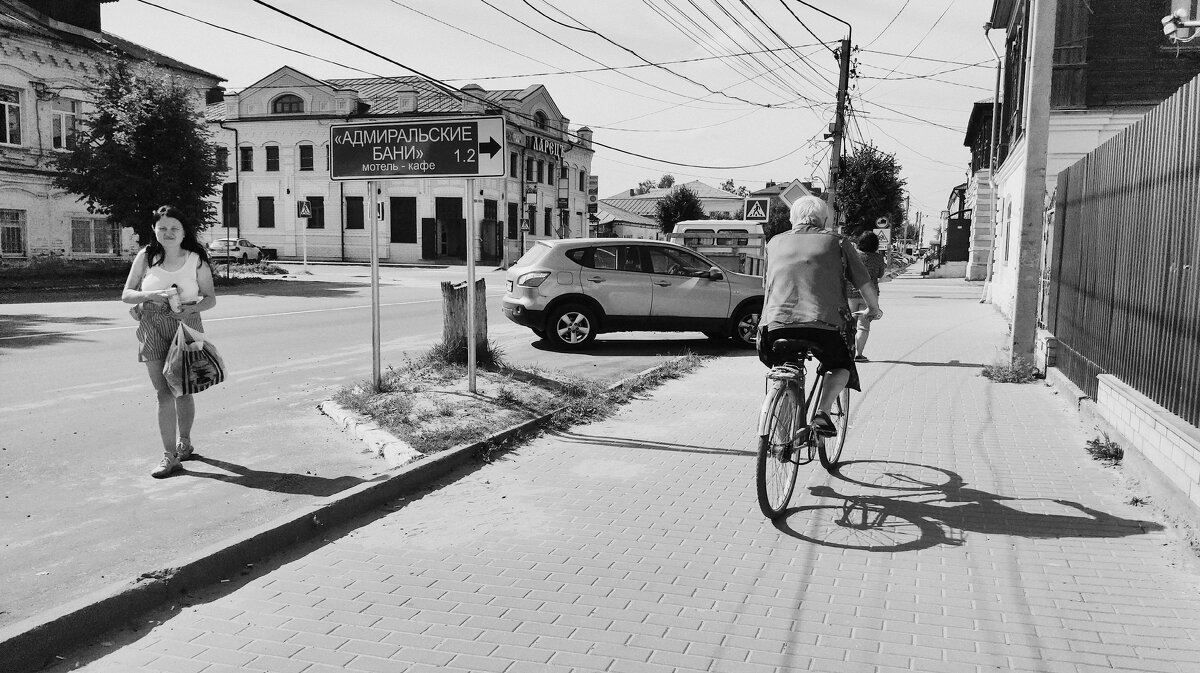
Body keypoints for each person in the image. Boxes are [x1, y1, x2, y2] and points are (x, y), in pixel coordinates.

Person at [757, 196, 883, 436]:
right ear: (824, 220)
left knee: (785, 366)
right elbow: (864, 283)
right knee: (841, 365)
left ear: (793, 219)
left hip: (774, 325)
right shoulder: (837, 242)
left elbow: (767, 284)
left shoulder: (773, 243)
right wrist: (873, 310)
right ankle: (822, 413)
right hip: (823, 324)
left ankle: (783, 436)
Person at [122, 206, 217, 478]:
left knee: (182, 388)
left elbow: (210, 298)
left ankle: (184, 443)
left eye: (174, 227)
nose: (168, 233)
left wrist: (188, 309)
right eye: (162, 228)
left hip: (186, 324)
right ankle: (169, 456)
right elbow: (127, 294)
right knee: (163, 392)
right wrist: (151, 297)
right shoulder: (146, 256)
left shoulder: (195, 259)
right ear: (154, 230)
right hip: (152, 324)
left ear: (184, 230)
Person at [846, 231, 887, 362]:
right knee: (863, 326)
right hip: (869, 295)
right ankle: (859, 354)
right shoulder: (878, 258)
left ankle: (848, 353)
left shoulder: (853, 255)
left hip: (850, 293)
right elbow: (881, 275)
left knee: (848, 325)